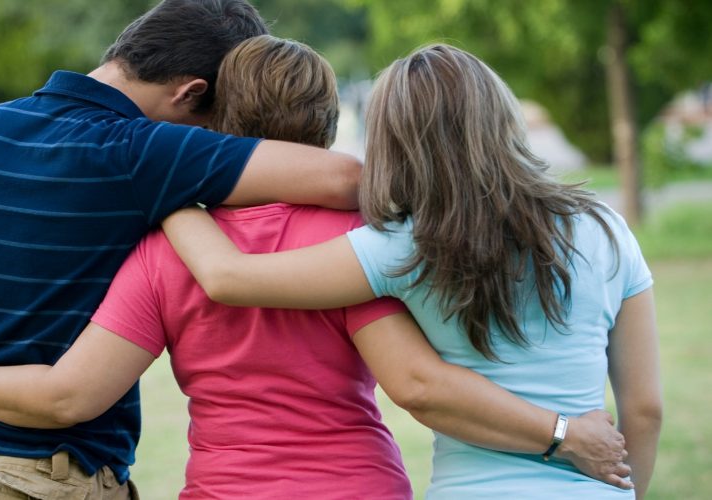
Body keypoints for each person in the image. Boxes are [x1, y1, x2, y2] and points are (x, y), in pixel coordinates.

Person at [0, 37, 633, 498]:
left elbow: (69, 395)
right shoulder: (360, 236)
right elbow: (416, 380)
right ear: (327, 124)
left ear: (220, 121)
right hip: (357, 486)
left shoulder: (166, 246)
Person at [0, 1, 367, 497]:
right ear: (192, 93)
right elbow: (347, 176)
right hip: (51, 477)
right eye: (212, 120)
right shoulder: (144, 149)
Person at [158, 44, 663, 499]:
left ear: (394, 142)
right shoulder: (606, 229)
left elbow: (228, 278)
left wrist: (168, 195)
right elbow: (643, 411)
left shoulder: (403, 247)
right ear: (501, 115)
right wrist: (621, 486)